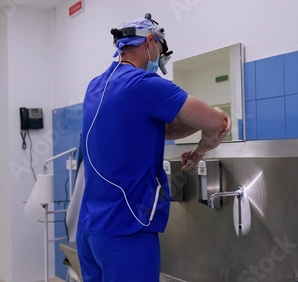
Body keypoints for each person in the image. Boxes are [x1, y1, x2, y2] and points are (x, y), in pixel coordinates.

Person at [77, 14, 230, 282]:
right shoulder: (143, 84)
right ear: (150, 41)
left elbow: (165, 129)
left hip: (91, 231)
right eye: (161, 51)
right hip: (126, 232)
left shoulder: (96, 86)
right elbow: (217, 122)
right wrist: (202, 148)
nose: (159, 61)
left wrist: (198, 137)